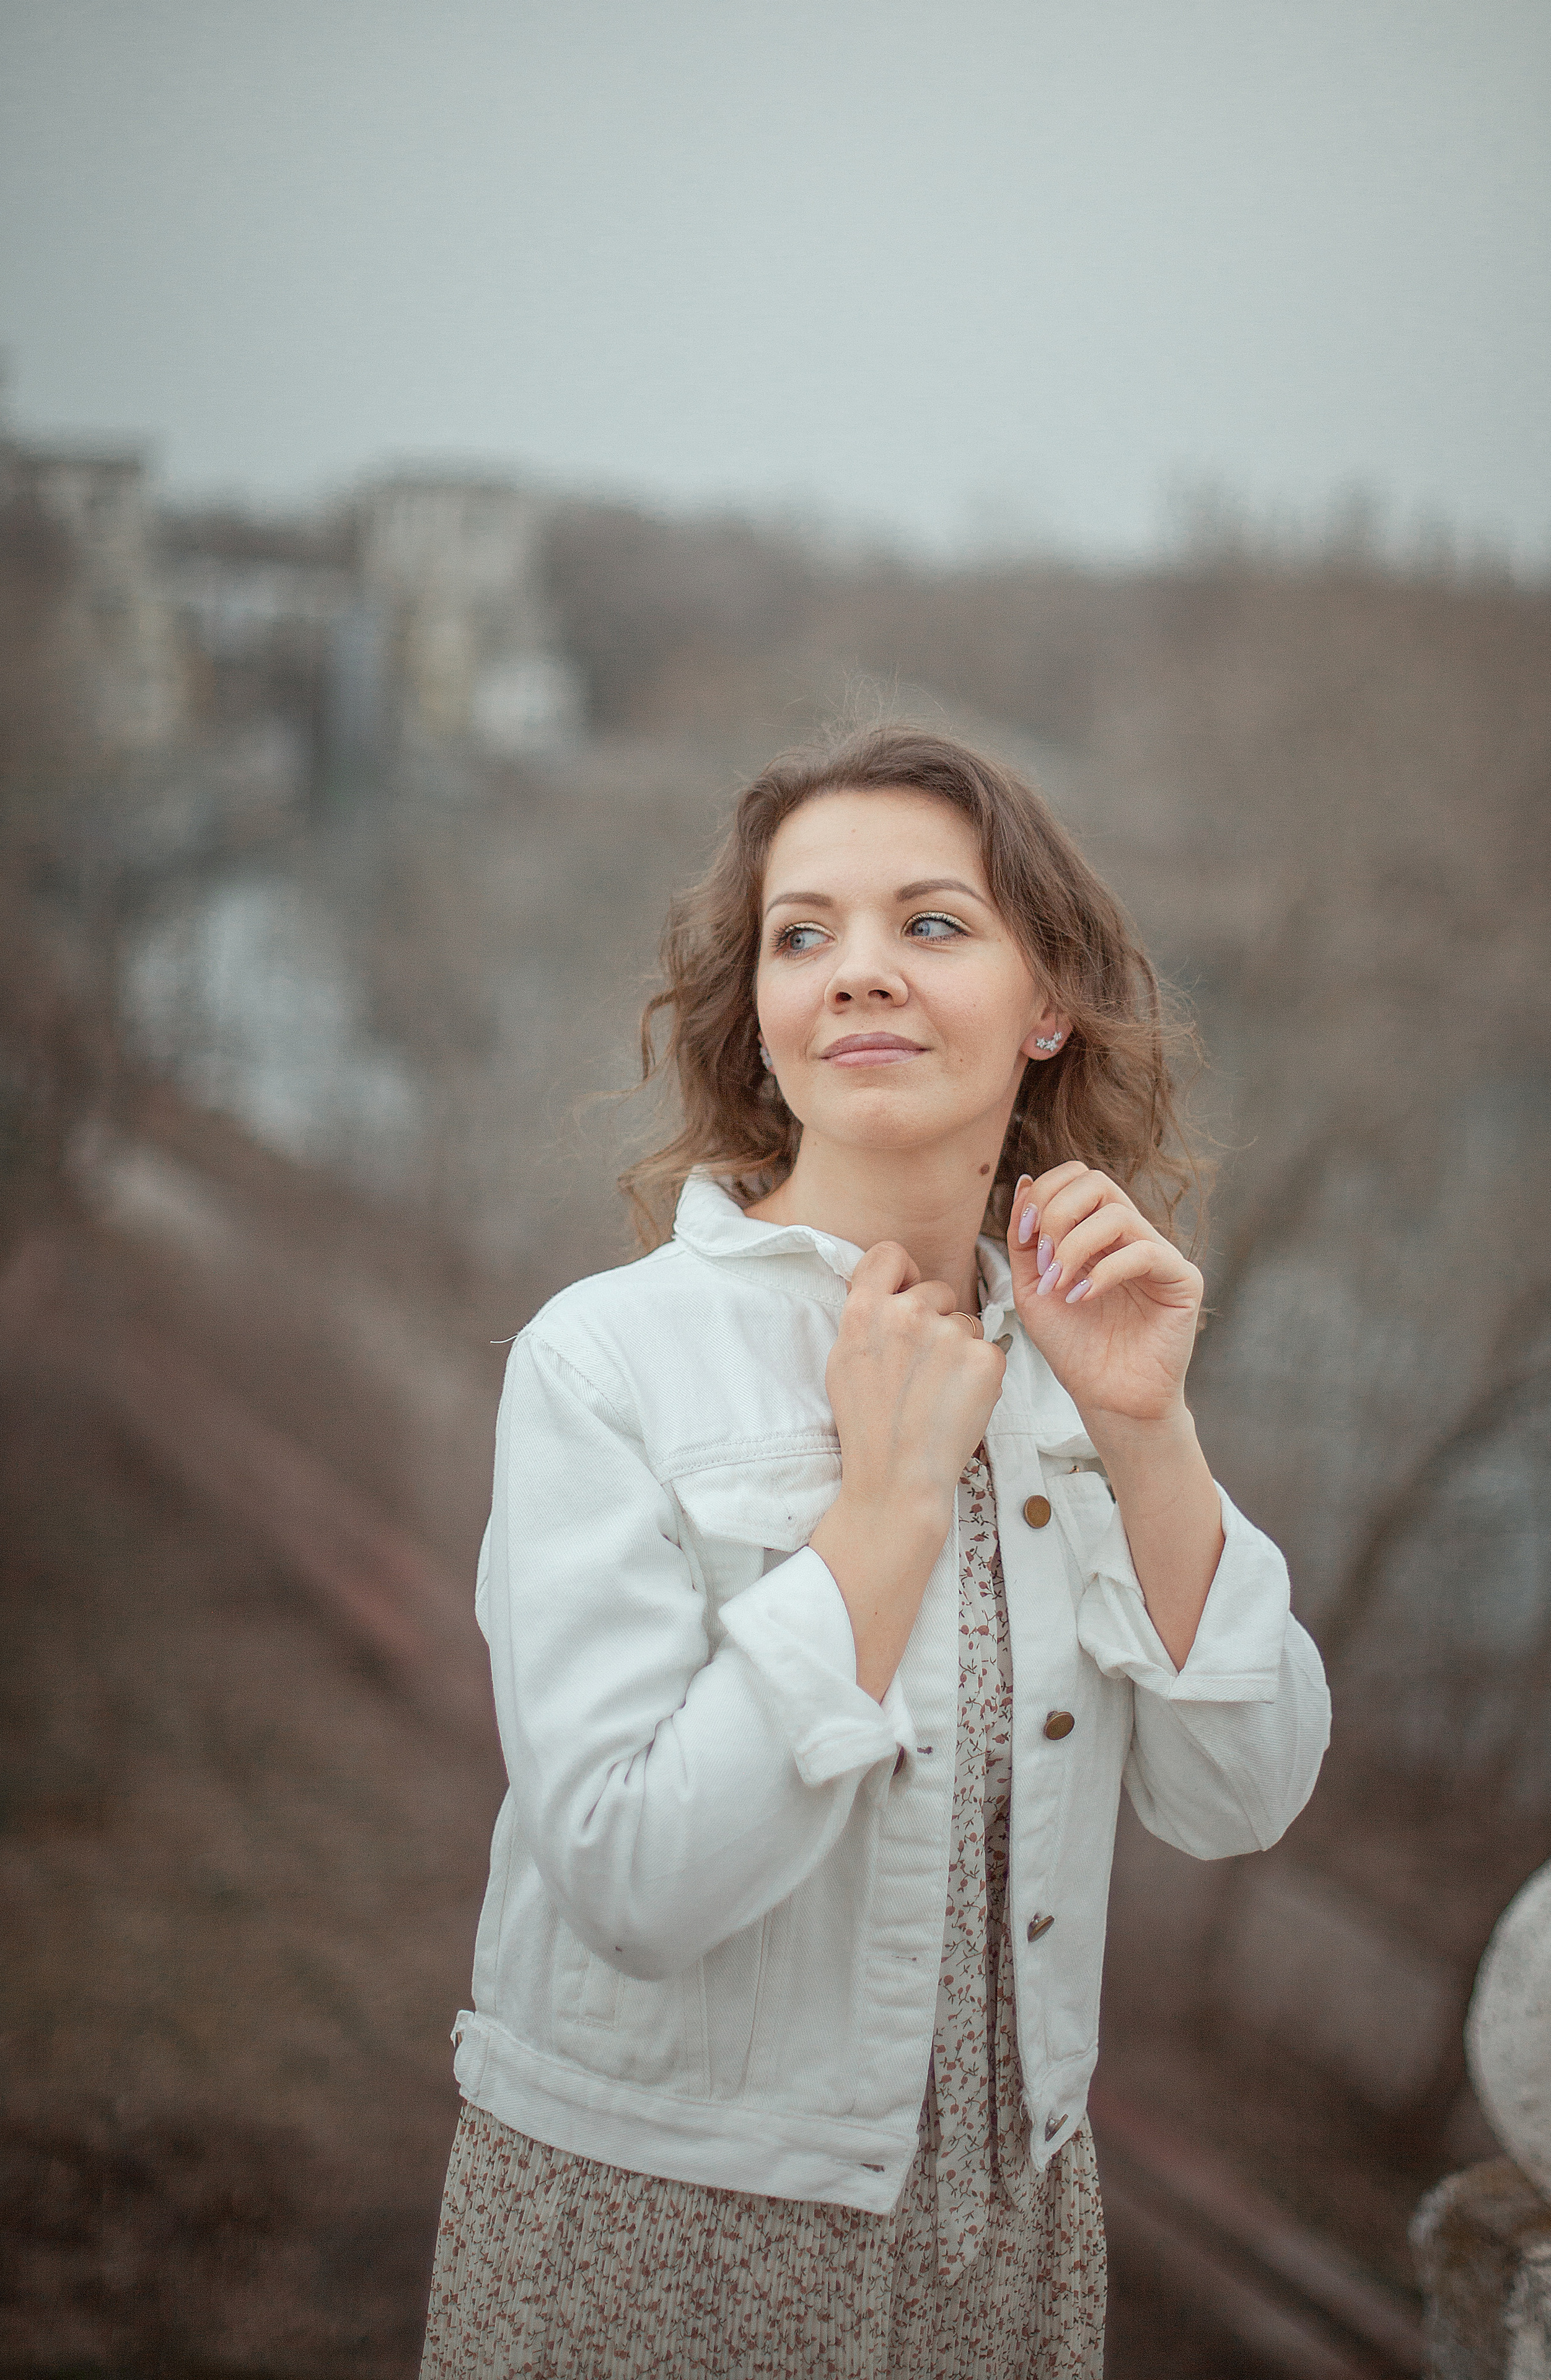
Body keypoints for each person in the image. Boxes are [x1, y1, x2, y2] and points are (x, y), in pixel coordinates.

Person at [419, 726, 1331, 2379]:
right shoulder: (606, 1360)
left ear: (1047, 1002)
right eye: (803, 933)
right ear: (762, 1021)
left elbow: (1244, 1794)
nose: (858, 974)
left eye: (930, 924)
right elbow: (631, 1883)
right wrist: (883, 1522)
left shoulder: (1075, 1358)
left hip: (1009, 2235)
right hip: (663, 2230)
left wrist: (1146, 1427)